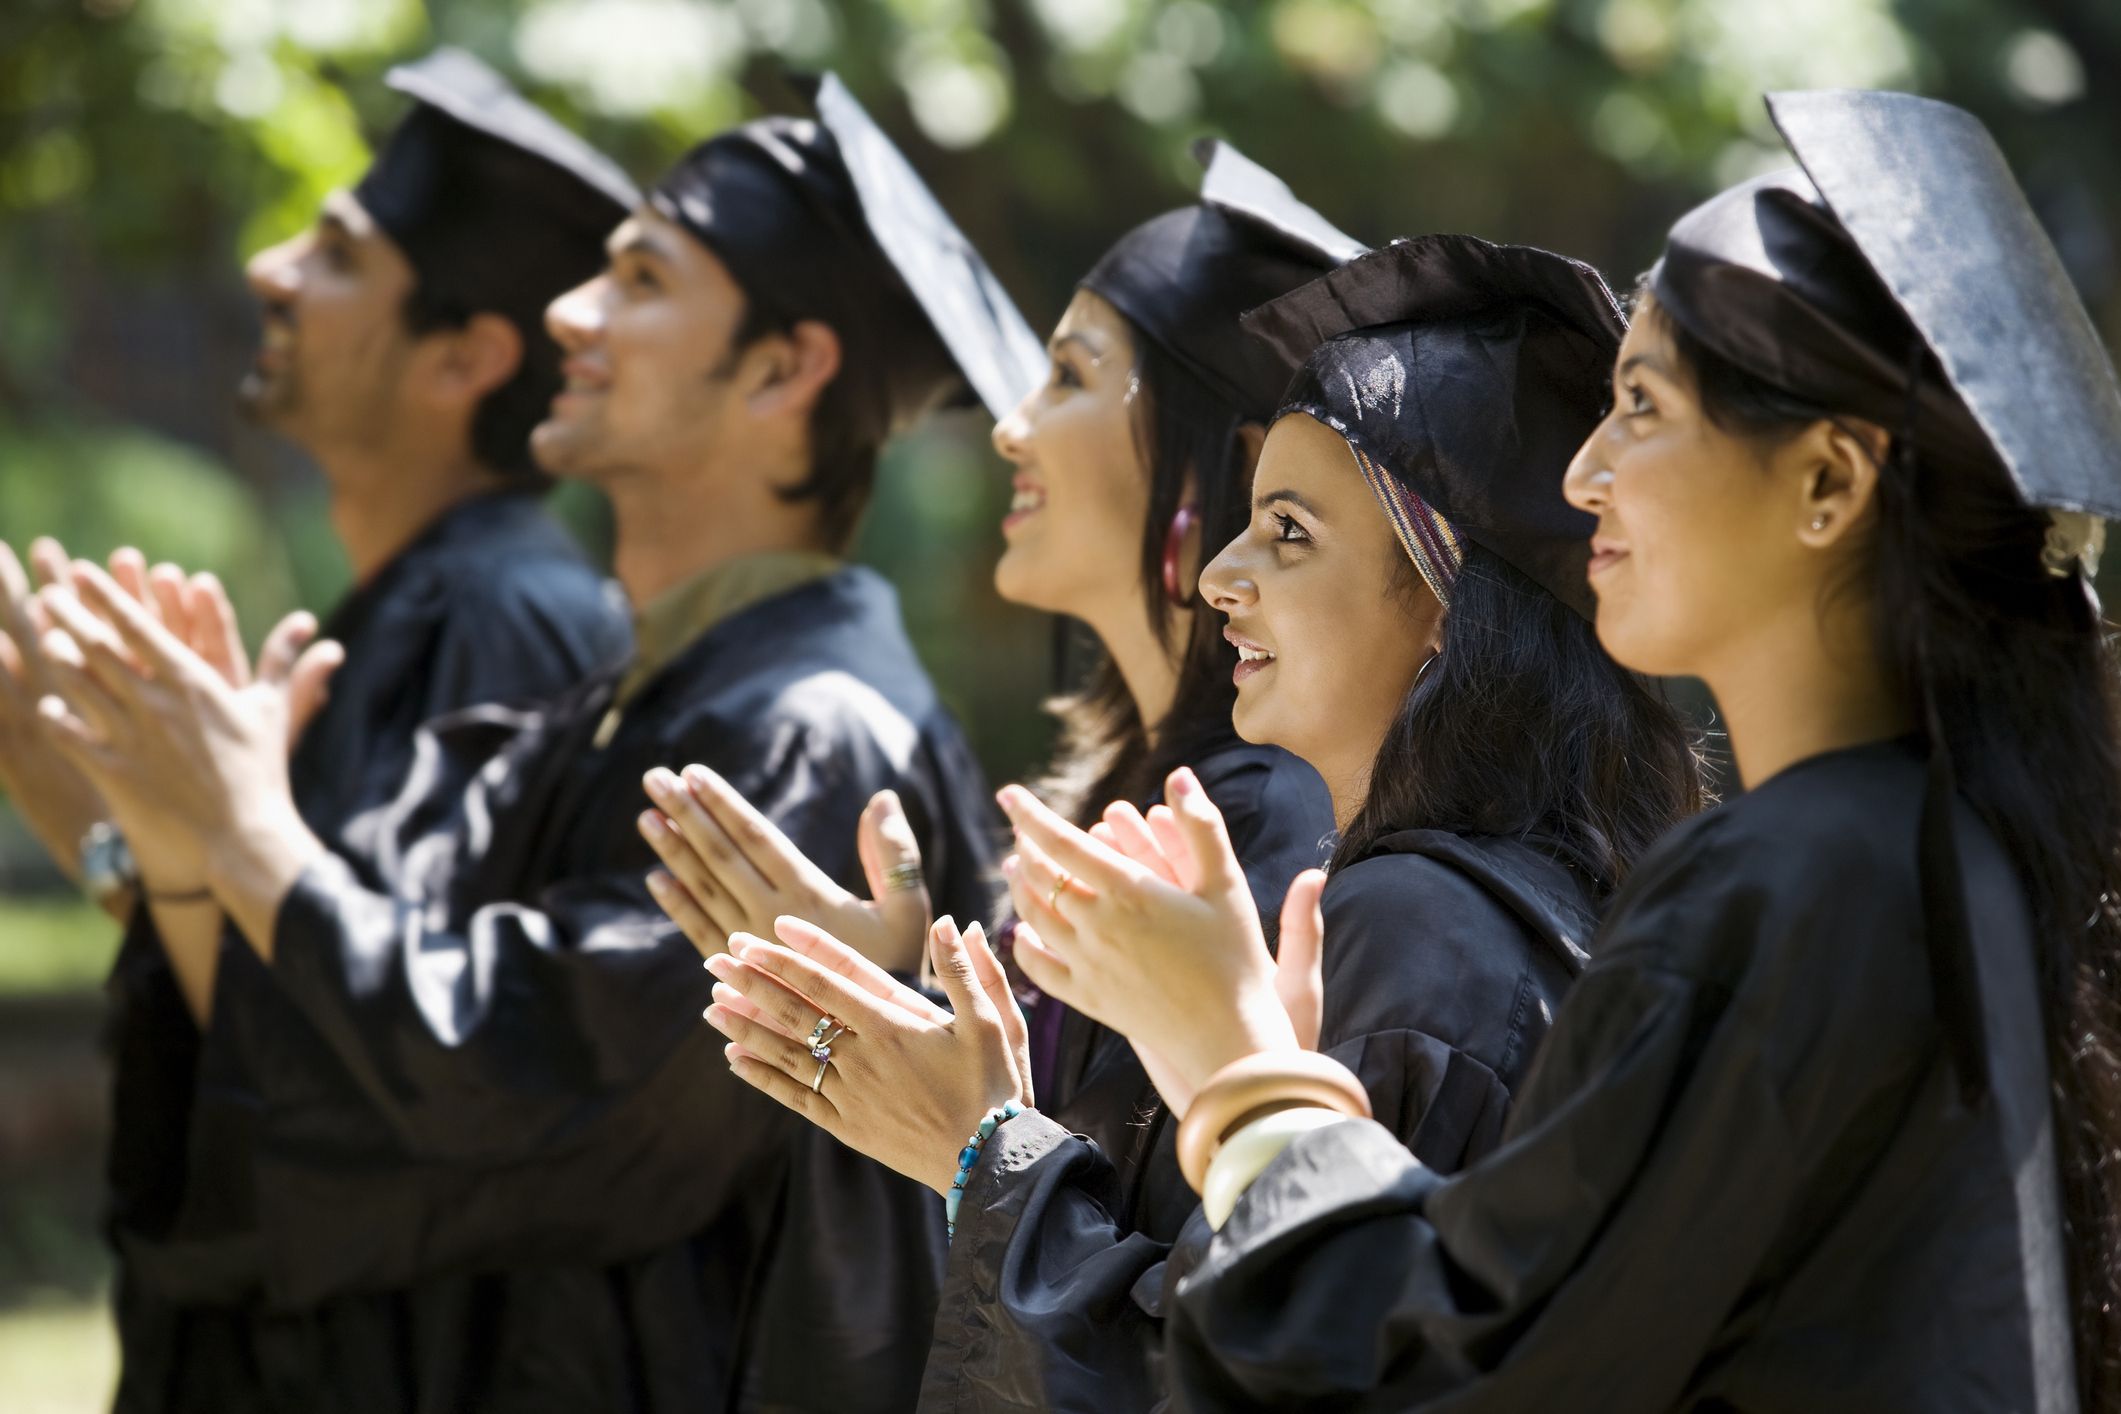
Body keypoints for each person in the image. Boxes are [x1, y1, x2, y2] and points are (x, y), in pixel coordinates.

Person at [1023, 91, 2121, 1411]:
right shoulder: (1929, 847)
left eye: (1643, 409)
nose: (1587, 472)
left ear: (1828, 485)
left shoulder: (1796, 886)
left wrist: (1238, 1063)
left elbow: (1467, 1361)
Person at [33, 74, 1028, 1412]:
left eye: (641, 280)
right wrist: (172, 835)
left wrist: (241, 829)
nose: (568, 312)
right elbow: (332, 1034)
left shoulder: (810, 739)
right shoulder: (614, 702)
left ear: (783, 369)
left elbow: (534, 1092)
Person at [698, 231, 1706, 1409]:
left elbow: (1247, 1371)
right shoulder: (1473, 904)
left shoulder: (1408, 931)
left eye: (1290, 532)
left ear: (1446, 609)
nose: (1223, 573)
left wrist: (980, 1150)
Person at [644, 140, 1350, 1402]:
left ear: (1220, 464)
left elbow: (1162, 1297)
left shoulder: (1252, 827)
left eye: (1073, 377)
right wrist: (883, 996)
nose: (1013, 425)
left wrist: (949, 1103)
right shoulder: (1123, 789)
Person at [0, 49, 637, 1414]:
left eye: (340, 254)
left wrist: (174, 831)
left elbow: (380, 1074)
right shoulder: (421, 599)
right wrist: (108, 826)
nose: (270, 270)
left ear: (466, 355)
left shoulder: (502, 624)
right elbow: (274, 993)